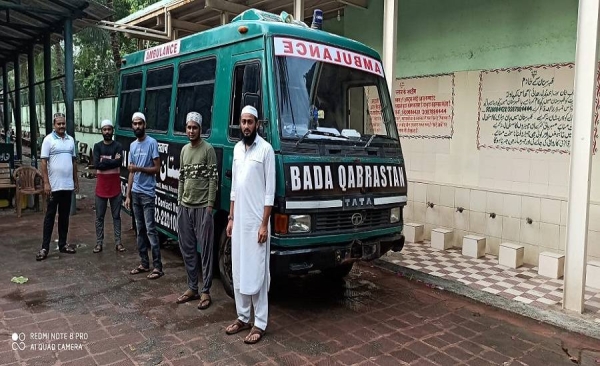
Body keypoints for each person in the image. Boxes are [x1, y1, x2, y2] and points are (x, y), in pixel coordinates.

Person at [225, 105, 275, 344]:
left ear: (257, 124)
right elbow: (234, 188)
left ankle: (260, 323)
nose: (246, 126)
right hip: (239, 222)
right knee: (239, 269)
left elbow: (269, 192)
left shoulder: (266, 150)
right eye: (243, 122)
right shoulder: (236, 149)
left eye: (250, 122)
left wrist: (264, 224)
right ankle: (243, 317)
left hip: (257, 223)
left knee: (258, 273)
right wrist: (231, 217)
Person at [175, 111, 218, 310]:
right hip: (185, 207)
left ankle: (206, 291)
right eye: (189, 127)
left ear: (201, 129)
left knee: (206, 251)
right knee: (187, 249)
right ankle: (192, 287)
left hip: (203, 208)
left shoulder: (208, 150)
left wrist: (209, 206)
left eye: (195, 127)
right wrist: (179, 203)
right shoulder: (184, 150)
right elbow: (182, 178)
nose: (191, 131)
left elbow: (212, 180)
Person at [124, 112, 163, 279]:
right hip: (136, 193)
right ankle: (144, 263)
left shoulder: (152, 143)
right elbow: (131, 172)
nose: (137, 126)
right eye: (135, 124)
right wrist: (127, 195)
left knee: (150, 230)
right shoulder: (132, 146)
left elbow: (156, 168)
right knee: (139, 230)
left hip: (148, 193)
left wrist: (139, 169)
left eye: (140, 123)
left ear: (144, 125)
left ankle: (158, 267)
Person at [36, 112, 79, 261]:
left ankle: (62, 244)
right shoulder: (48, 140)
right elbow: (43, 162)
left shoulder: (70, 140)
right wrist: (46, 183)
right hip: (53, 187)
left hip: (67, 186)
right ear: (54, 125)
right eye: (58, 124)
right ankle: (44, 248)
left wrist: (76, 181)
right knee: (49, 217)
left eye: (63, 123)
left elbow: (73, 162)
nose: (61, 126)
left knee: (64, 217)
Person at [93, 119, 124, 253]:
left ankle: (118, 242)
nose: (107, 132)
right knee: (99, 217)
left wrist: (104, 160)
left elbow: (119, 163)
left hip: (115, 187)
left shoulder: (117, 146)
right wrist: (111, 160)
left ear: (112, 130)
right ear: (101, 131)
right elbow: (96, 164)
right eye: (104, 129)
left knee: (116, 216)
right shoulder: (97, 146)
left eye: (109, 129)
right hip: (101, 188)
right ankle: (99, 243)